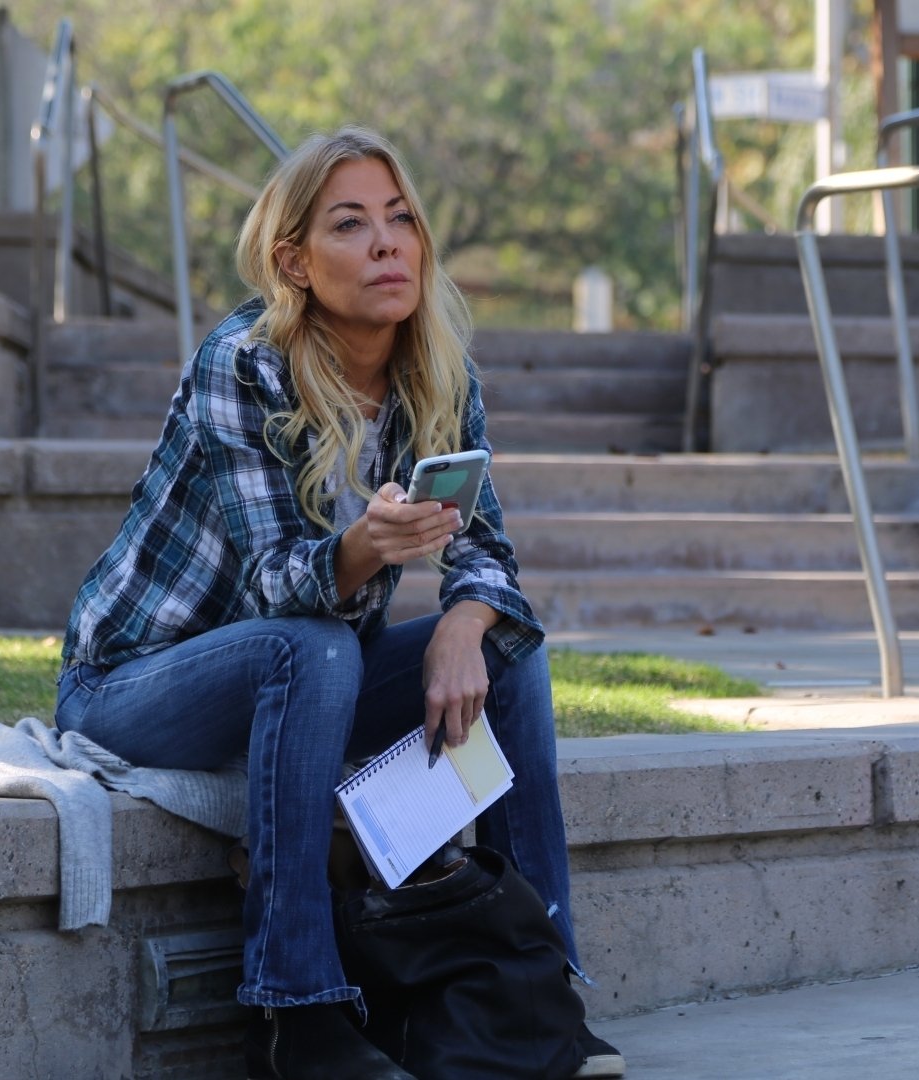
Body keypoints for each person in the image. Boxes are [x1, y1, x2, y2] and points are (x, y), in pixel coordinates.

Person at [52, 126, 624, 1080]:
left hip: (307, 676)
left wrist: (465, 623)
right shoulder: (243, 361)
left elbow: (487, 553)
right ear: (296, 263)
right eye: (351, 225)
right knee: (312, 644)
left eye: (401, 220)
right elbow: (279, 584)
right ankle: (296, 1013)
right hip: (133, 684)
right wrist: (364, 547)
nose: (387, 243)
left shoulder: (438, 371)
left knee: (509, 652)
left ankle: (536, 989)